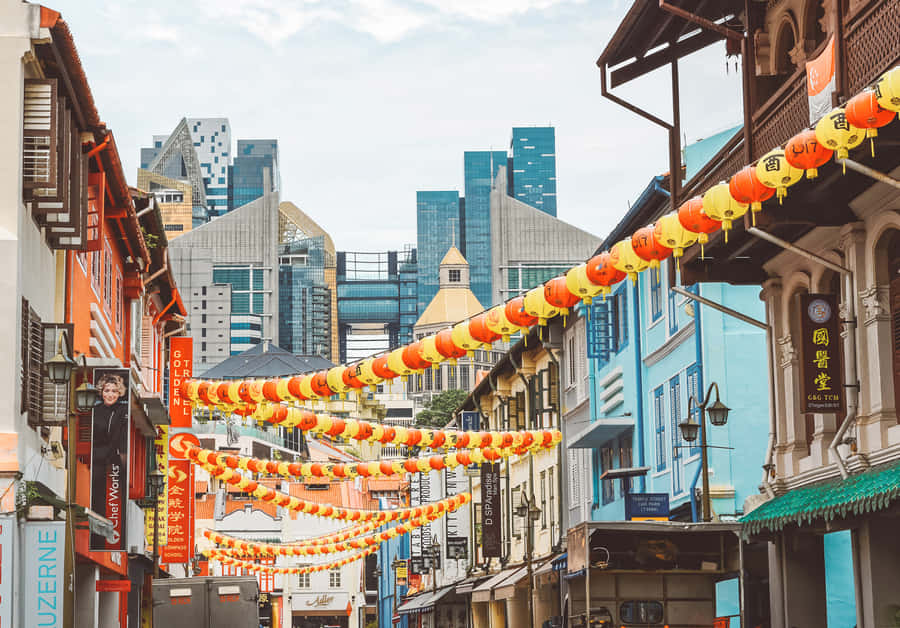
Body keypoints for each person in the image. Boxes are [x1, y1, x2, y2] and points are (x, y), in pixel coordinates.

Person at [91, 373, 129, 535]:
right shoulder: (95, 410)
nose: (110, 394)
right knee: (95, 492)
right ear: (101, 391)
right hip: (95, 457)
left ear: (119, 393)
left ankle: (108, 527)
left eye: (114, 391)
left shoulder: (122, 411)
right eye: (107, 390)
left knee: (112, 493)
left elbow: (119, 437)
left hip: (113, 458)